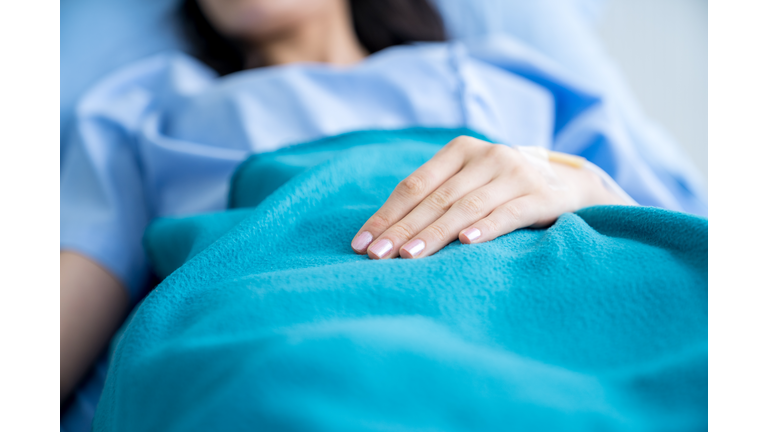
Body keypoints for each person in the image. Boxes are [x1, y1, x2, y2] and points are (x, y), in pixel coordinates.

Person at [60, 0, 706, 408]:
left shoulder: (508, 71)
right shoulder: (143, 106)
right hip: (293, 325)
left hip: (573, 304)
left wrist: (579, 182)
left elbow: (677, 236)